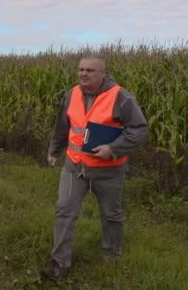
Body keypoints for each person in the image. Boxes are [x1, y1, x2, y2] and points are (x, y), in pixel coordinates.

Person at [41, 56, 148, 280]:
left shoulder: (121, 96)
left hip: (108, 171)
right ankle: (60, 263)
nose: (83, 74)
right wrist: (54, 151)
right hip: (74, 167)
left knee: (111, 215)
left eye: (89, 70)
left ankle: (112, 256)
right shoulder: (72, 94)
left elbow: (139, 129)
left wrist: (113, 148)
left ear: (103, 74)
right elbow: (62, 126)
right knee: (64, 211)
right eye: (81, 69)